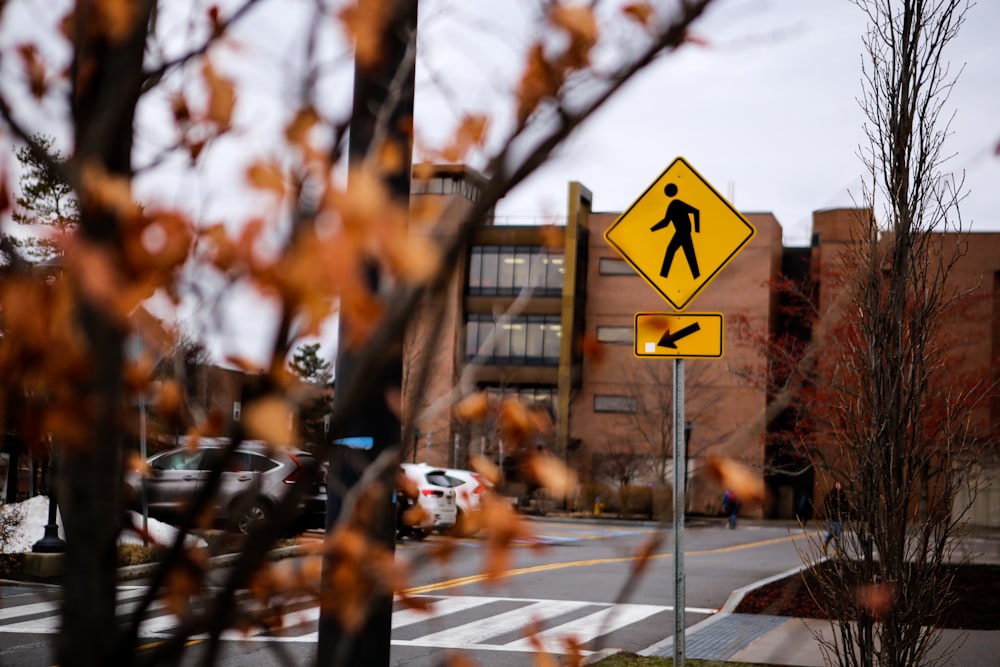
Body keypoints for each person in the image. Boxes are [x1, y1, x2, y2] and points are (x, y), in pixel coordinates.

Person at [823, 481, 848, 555]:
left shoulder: (842, 495)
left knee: (838, 534)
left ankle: (837, 550)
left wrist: (845, 515)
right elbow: (826, 505)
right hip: (832, 517)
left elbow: (846, 505)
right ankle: (826, 544)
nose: (838, 486)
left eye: (839, 485)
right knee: (832, 533)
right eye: (837, 485)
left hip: (840, 517)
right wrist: (829, 514)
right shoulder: (830, 495)